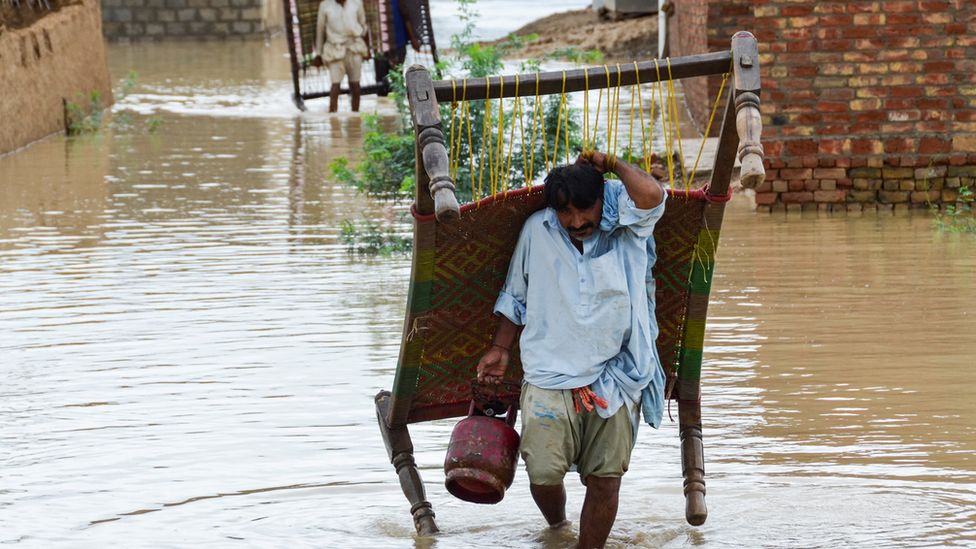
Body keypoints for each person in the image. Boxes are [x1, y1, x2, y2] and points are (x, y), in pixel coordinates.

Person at [476, 150, 667, 549]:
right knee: (542, 475)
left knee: (605, 481)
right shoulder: (536, 230)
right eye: (566, 213)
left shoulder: (628, 227)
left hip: (616, 375)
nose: (577, 222)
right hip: (548, 373)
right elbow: (516, 295)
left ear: (605, 200)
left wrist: (611, 163)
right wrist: (500, 348)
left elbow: (651, 195)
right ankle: (559, 527)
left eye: (586, 209)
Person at [313, 0, 371, 113]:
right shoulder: (325, 5)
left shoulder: (356, 3)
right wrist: (318, 54)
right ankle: (333, 119)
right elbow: (320, 30)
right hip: (334, 49)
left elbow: (364, 27)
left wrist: (368, 49)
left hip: (354, 47)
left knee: (355, 86)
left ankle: (355, 116)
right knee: (335, 86)